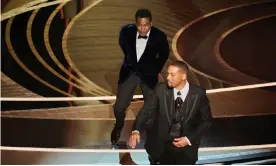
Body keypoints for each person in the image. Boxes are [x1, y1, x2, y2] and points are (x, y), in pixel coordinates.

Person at [129, 61, 213, 165]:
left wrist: (188, 139)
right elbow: (146, 110)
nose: (168, 77)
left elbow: (206, 121)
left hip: (185, 152)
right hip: (160, 149)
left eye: (172, 75)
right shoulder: (160, 89)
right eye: (168, 74)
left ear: (183, 76)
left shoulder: (198, 94)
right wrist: (136, 130)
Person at [111, 8, 170, 144]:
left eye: (146, 25)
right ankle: (118, 125)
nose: (143, 28)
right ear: (136, 23)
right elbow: (122, 44)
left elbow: (164, 54)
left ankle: (143, 129)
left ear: (151, 23)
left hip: (148, 74)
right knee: (119, 107)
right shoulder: (126, 30)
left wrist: (155, 69)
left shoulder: (159, 36)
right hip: (129, 72)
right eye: (140, 25)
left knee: (151, 104)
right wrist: (131, 60)